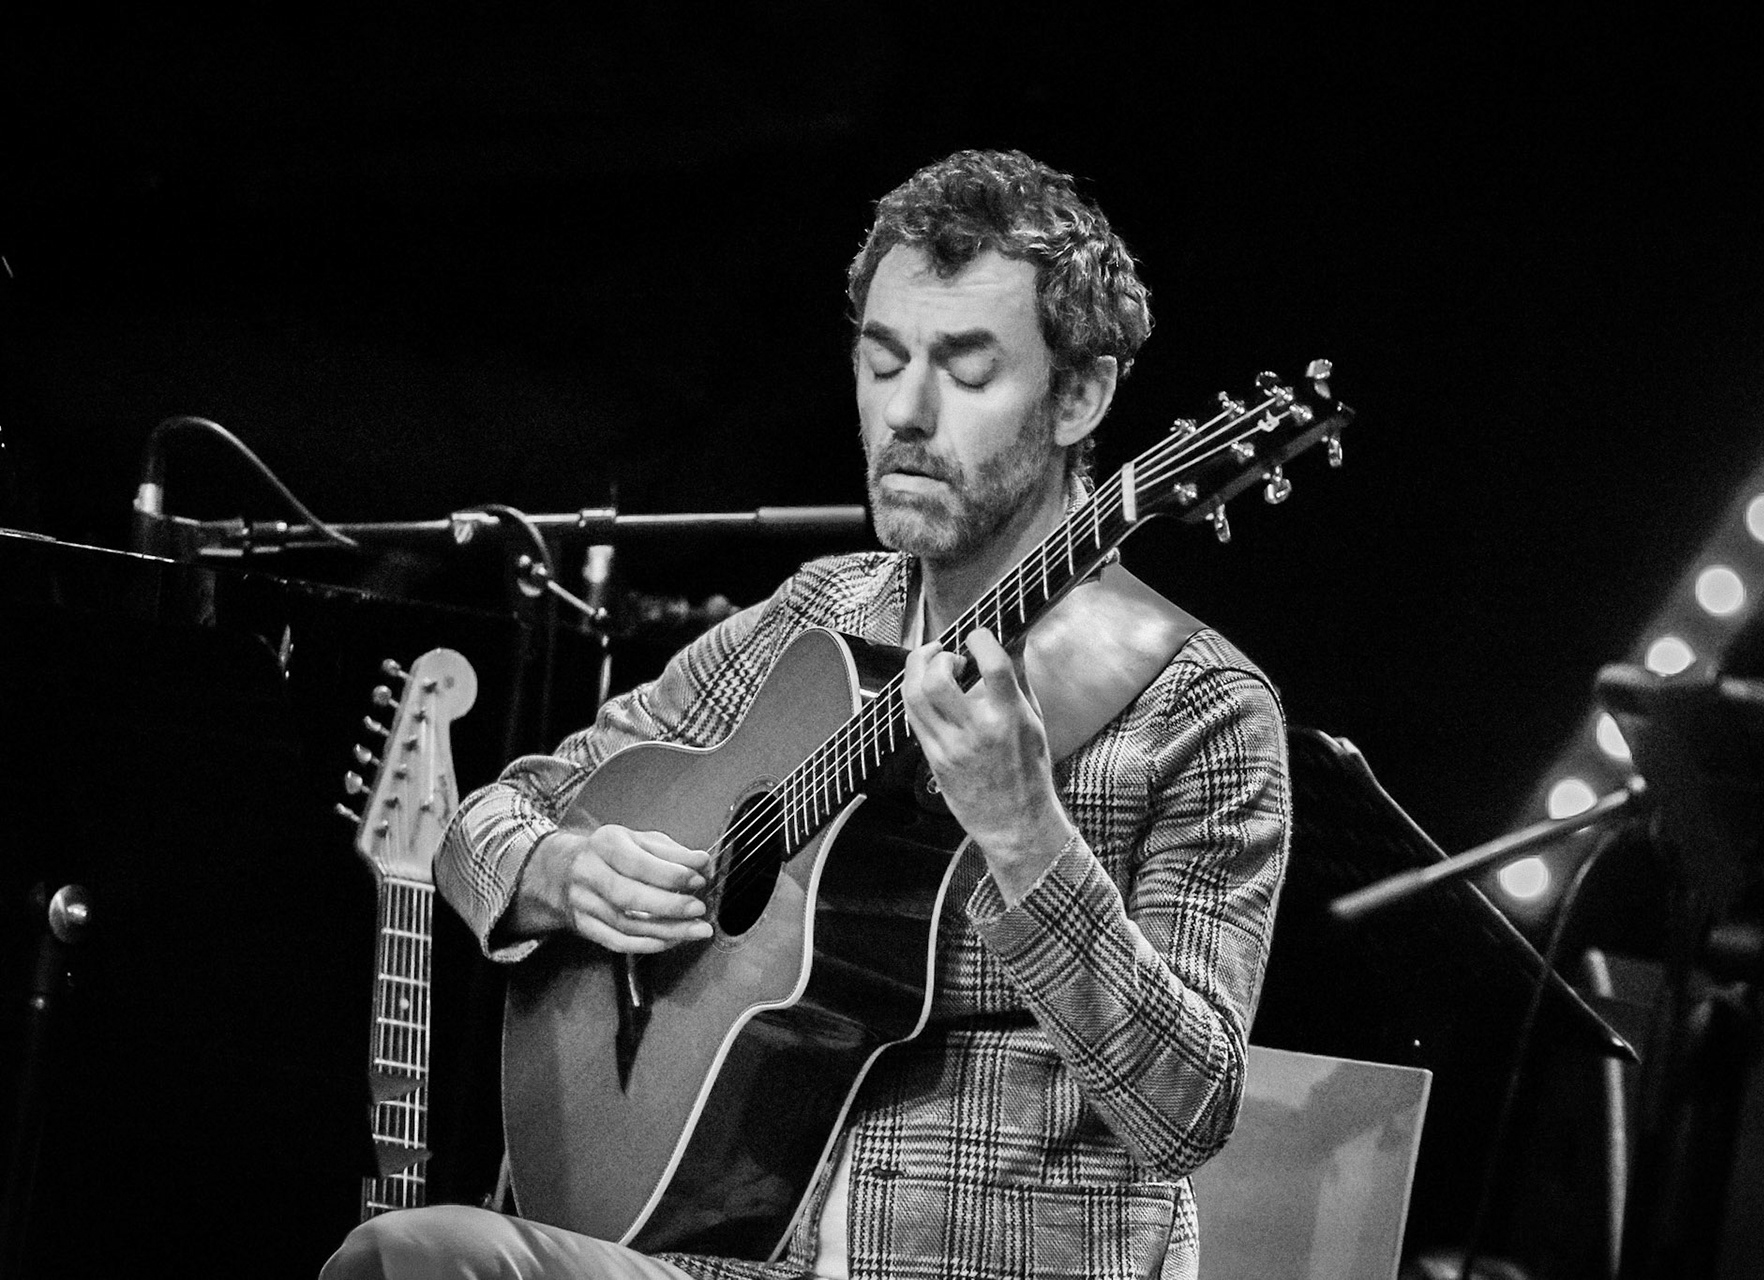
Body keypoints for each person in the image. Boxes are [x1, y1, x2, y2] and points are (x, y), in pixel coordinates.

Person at [323, 148, 1288, 1280]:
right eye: (883, 363)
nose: (907, 414)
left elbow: (1192, 1105)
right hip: (724, 1253)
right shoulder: (820, 615)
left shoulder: (1199, 708)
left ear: (1081, 395)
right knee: (410, 1257)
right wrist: (560, 869)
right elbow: (494, 810)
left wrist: (1030, 837)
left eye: (968, 373)